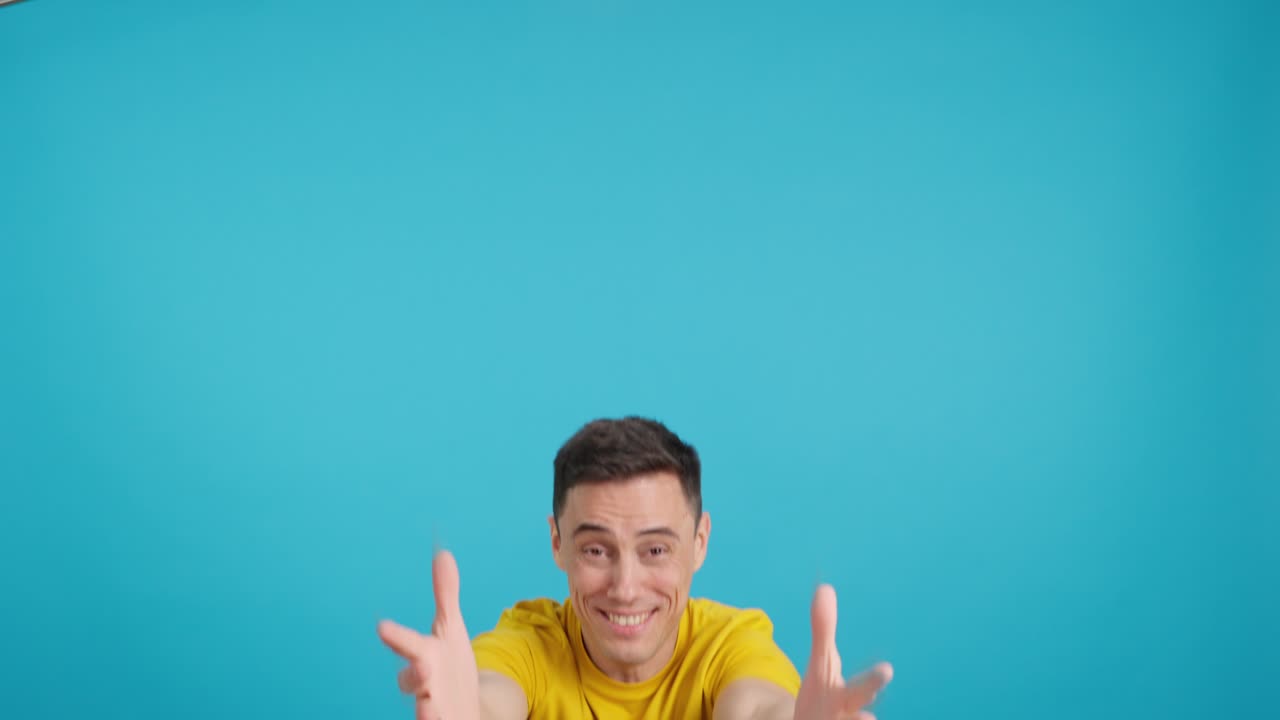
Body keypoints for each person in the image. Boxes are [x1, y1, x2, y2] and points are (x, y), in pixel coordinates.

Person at [377, 417, 893, 720]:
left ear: (699, 542)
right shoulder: (529, 642)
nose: (625, 589)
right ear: (557, 544)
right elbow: (487, 695)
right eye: (596, 550)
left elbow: (759, 708)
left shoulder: (730, 645)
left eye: (656, 551)